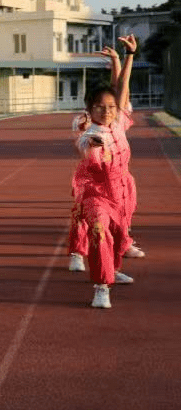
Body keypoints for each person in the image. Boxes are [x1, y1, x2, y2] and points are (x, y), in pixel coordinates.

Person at [71, 35, 139, 309]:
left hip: (122, 189)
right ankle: (101, 286)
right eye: (100, 106)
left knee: (121, 237)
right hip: (96, 190)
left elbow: (121, 88)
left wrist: (128, 56)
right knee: (99, 230)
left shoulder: (119, 121)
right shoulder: (89, 132)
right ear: (89, 109)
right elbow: (86, 146)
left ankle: (113, 270)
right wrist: (95, 143)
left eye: (111, 106)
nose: (107, 110)